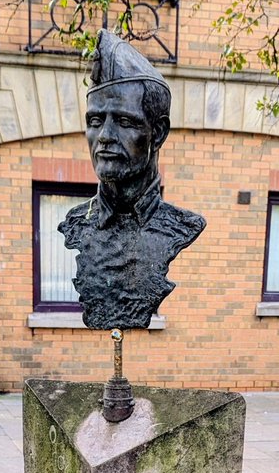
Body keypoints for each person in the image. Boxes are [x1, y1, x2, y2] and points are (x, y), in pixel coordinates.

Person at [59, 30, 206, 330]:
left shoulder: (181, 227)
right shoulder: (75, 224)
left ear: (159, 133)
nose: (105, 137)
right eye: (95, 121)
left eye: (125, 122)